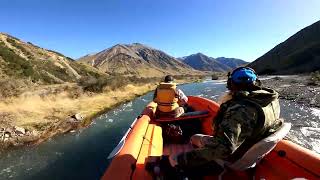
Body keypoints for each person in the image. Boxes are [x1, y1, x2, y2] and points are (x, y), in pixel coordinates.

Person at [168, 67, 283, 177]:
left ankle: (210, 166)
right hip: (252, 152)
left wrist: (182, 158)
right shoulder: (272, 100)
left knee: (194, 138)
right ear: (256, 82)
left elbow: (224, 150)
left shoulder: (239, 110)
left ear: (231, 83)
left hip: (236, 156)